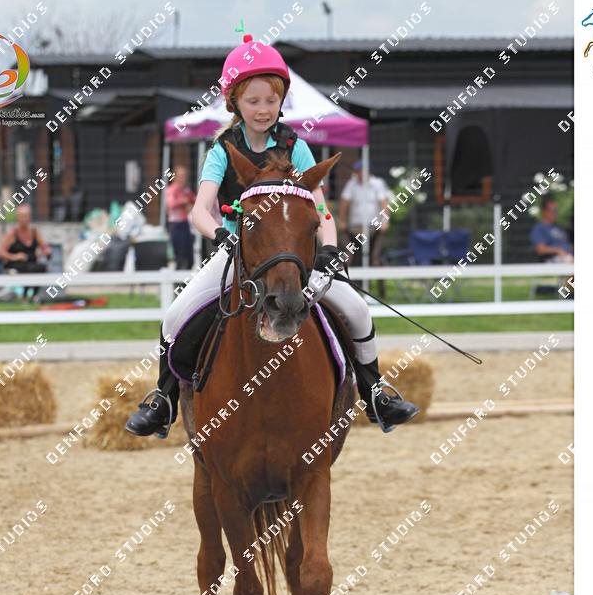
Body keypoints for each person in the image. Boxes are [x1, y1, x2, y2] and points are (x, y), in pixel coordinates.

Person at [125, 34, 417, 439]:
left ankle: (375, 394)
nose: (263, 109)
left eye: (271, 100)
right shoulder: (221, 150)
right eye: (253, 101)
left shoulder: (296, 147)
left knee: (356, 309)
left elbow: (322, 210)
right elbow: (199, 210)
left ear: (282, 101)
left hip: (295, 255)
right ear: (234, 102)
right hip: (238, 251)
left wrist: (329, 249)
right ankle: (163, 400)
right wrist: (220, 235)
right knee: (175, 316)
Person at [0, 204, 52, 297]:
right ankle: (25, 296)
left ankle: (33, 296)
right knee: (30, 269)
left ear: (30, 217)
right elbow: (0, 252)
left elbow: (44, 247)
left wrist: (46, 251)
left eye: (26, 216)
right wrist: (15, 257)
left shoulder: (35, 232)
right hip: (16, 265)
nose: (24, 219)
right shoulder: (13, 234)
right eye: (21, 216)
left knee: (41, 268)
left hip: (32, 264)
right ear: (17, 218)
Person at [166, 165, 196, 271]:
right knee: (180, 256)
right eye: (181, 176)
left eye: (185, 176)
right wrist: (183, 201)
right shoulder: (172, 190)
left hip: (185, 224)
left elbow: (195, 200)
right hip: (176, 225)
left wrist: (189, 203)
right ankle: (178, 280)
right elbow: (171, 204)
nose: (183, 178)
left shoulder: (186, 190)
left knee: (190, 257)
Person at [530, 196, 573, 263]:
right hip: (556, 260)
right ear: (545, 211)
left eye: (556, 210)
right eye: (553, 210)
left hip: (569, 256)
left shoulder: (559, 228)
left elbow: (567, 245)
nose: (556, 213)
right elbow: (540, 249)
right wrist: (558, 250)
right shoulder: (539, 228)